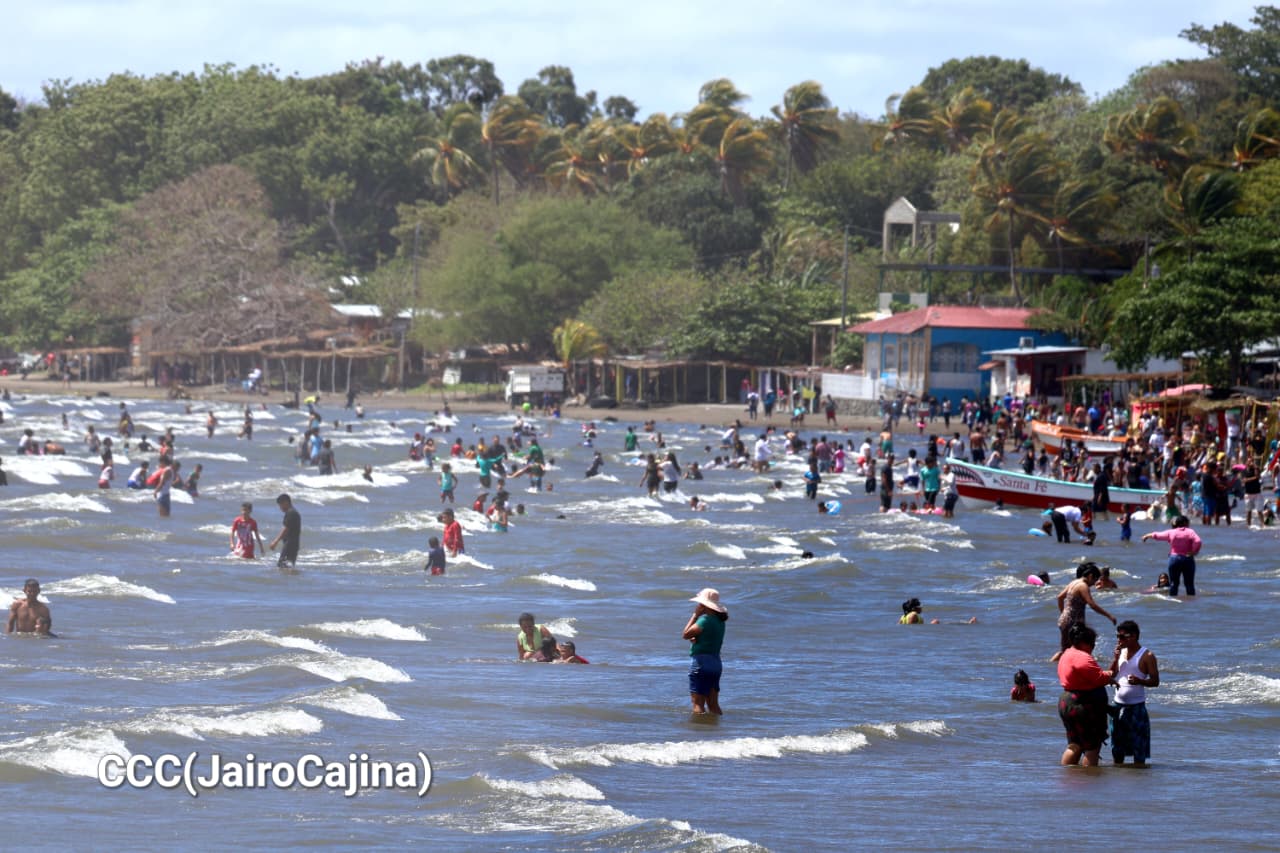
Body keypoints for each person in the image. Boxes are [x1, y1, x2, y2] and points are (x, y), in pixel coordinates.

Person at [1057, 623, 1116, 766]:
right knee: (1092, 747)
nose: (1093, 647)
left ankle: (1070, 776)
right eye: (1092, 644)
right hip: (1082, 705)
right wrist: (1110, 675)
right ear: (1084, 642)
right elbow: (1099, 678)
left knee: (1074, 745)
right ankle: (1088, 780)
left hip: (1067, 702)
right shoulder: (1082, 657)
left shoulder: (1067, 654)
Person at [1110, 620, 1160, 766]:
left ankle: (1138, 781)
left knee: (1139, 748)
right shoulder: (1120, 653)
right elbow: (1111, 675)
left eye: (1122, 637)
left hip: (1136, 707)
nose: (1119, 640)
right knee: (1117, 748)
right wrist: (1115, 659)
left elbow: (1155, 681)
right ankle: (1118, 777)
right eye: (1117, 636)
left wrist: (1140, 681)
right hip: (1117, 706)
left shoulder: (1147, 655)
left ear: (1134, 636)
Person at [1051, 563, 1116, 662]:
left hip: (1065, 620)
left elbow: (1060, 597)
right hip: (1073, 622)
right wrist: (1109, 616)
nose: (1094, 584)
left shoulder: (1074, 582)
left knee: (1066, 650)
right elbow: (1092, 605)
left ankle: (1051, 666)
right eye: (1095, 579)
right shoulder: (1083, 586)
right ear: (1090, 576)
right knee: (1076, 648)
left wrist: (1063, 613)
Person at [682, 588, 727, 715]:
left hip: (701, 664)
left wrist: (695, 615)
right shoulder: (720, 622)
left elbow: (685, 634)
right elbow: (709, 638)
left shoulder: (704, 619)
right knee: (714, 705)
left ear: (703, 605)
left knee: (698, 704)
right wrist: (696, 639)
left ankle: (699, 734)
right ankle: (719, 730)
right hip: (716, 664)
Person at [1141, 515, 1202, 596]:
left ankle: (1173, 602)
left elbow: (1158, 535)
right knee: (1189, 584)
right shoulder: (1190, 531)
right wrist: (1194, 552)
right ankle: (1191, 605)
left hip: (1174, 559)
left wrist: (1147, 535)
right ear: (1185, 523)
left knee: (1174, 584)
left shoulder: (1171, 532)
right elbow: (1198, 541)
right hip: (1188, 559)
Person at [269, 493, 302, 569]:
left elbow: (286, 529)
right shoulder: (294, 512)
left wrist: (275, 542)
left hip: (290, 543)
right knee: (288, 565)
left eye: (280, 505)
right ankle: (289, 579)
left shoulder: (291, 513)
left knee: (282, 565)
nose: (280, 508)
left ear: (286, 502)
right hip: (294, 544)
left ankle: (287, 579)